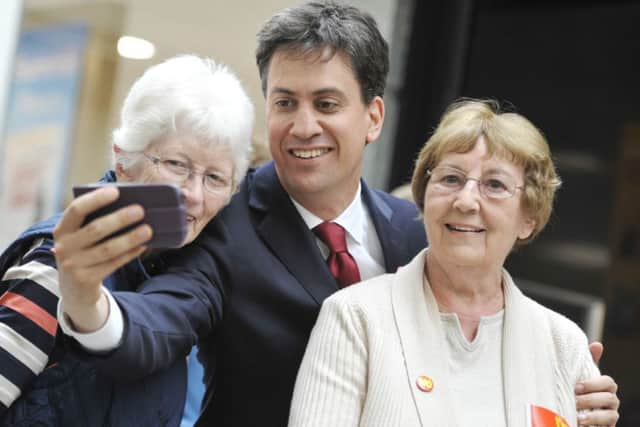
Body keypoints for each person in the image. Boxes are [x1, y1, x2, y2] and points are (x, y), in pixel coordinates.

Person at [54, 2, 619, 427]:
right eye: (284, 103)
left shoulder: (416, 227)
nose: (303, 127)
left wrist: (564, 384)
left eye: (326, 104)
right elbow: (157, 325)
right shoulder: (225, 223)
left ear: (373, 117)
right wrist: (84, 298)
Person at [288, 99, 616, 427]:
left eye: (495, 185)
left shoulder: (563, 344)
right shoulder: (356, 318)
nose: (465, 201)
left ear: (528, 218)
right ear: (423, 195)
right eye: (450, 179)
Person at [0, 54, 253, 426]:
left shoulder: (171, 268)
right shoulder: (60, 265)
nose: (195, 195)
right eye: (177, 165)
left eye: (215, 178)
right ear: (123, 161)